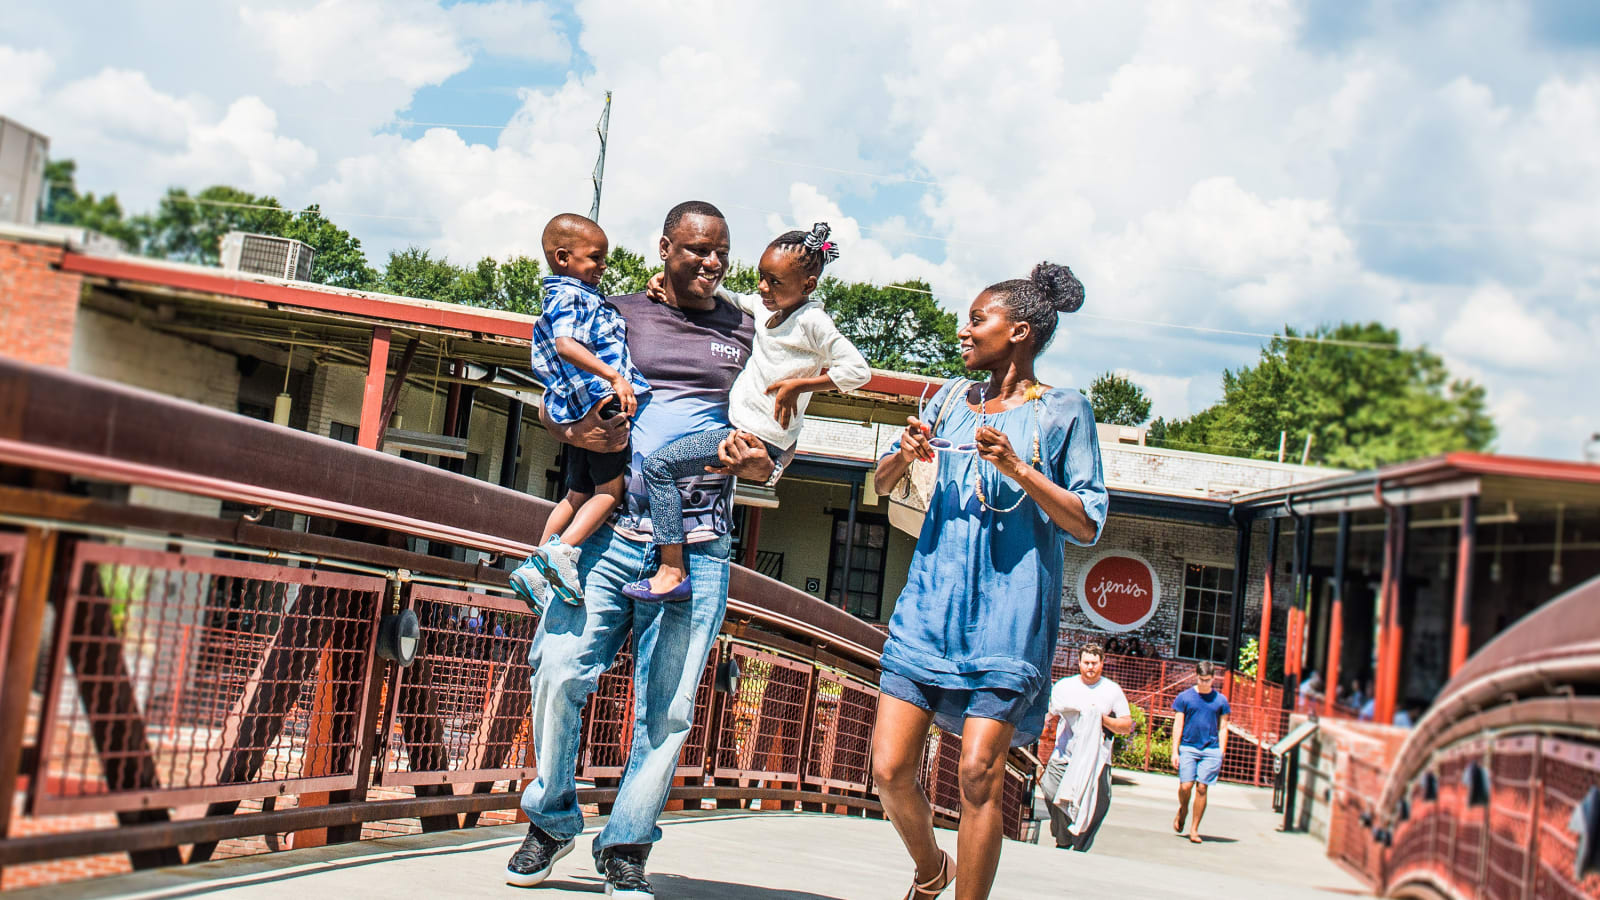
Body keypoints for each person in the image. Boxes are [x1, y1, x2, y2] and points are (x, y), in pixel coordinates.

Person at [504, 201, 779, 899]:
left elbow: (779, 431)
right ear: (664, 249)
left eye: (721, 251)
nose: (711, 263)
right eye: (696, 250)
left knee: (669, 710)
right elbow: (553, 384)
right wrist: (563, 428)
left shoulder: (748, 330)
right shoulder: (618, 311)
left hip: (699, 543)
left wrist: (763, 465)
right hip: (610, 535)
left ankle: (626, 843)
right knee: (559, 670)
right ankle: (552, 817)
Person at [868, 262, 1108, 900]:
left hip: (1007, 617)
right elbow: (880, 487)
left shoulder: (1065, 410)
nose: (964, 331)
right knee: (890, 769)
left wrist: (1018, 468)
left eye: (978, 320)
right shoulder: (947, 399)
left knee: (979, 775)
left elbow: (1086, 522)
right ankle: (930, 871)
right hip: (927, 609)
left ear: (1020, 331)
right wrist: (903, 453)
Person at [624, 222, 870, 601]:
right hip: (744, 431)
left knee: (659, 467)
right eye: (761, 278)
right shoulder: (765, 307)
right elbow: (726, 295)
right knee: (668, 467)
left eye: (775, 282)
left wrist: (801, 385)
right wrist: (665, 276)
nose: (763, 288)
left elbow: (858, 371)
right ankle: (671, 564)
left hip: (755, 438)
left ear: (808, 287)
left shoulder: (811, 322)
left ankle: (671, 570)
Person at [510, 213, 651, 610]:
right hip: (600, 399)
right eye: (595, 258)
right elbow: (566, 344)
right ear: (563, 258)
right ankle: (563, 552)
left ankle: (534, 569)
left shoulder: (561, 295)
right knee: (609, 492)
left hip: (576, 406)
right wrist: (615, 377)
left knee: (576, 493)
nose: (603, 267)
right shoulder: (573, 296)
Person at [1039, 643, 1132, 852]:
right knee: (1050, 789)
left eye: (1094, 663)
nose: (1090, 667)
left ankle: (1080, 845)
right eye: (1086, 662)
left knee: (1099, 805)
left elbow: (1126, 725)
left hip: (1097, 759)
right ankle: (1063, 837)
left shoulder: (1111, 690)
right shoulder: (1065, 686)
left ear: (1102, 664)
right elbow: (1049, 713)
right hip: (1064, 755)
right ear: (1079, 663)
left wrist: (1101, 719)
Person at [1170, 660, 1231, 844]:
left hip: (1210, 749)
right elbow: (1178, 724)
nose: (1205, 683)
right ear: (1196, 677)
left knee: (1202, 788)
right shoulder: (1185, 697)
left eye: (1208, 680)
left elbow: (1223, 727)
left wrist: (1221, 751)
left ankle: (1194, 829)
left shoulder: (1220, 701)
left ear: (1213, 679)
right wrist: (1175, 750)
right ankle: (1183, 808)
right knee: (1185, 786)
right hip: (1188, 747)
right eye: (1201, 679)